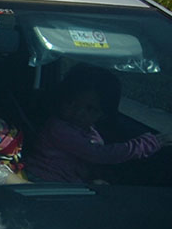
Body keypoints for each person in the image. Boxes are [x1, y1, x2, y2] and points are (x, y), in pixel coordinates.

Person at [28, 64, 171, 183]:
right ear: (61, 98)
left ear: (102, 114)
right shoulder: (58, 128)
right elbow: (100, 154)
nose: (79, 113)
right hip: (41, 182)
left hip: (64, 184)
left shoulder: (88, 131)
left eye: (90, 109)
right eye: (71, 103)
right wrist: (146, 144)